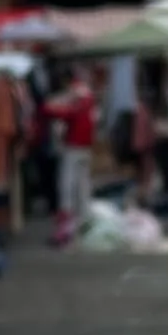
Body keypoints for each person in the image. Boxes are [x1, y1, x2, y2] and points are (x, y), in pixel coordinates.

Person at [46, 67, 97, 245]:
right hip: (86, 145)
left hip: (73, 144)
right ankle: (85, 220)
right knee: (83, 183)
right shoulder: (88, 94)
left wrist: (49, 108)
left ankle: (66, 225)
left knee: (67, 184)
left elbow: (68, 113)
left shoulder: (75, 94)